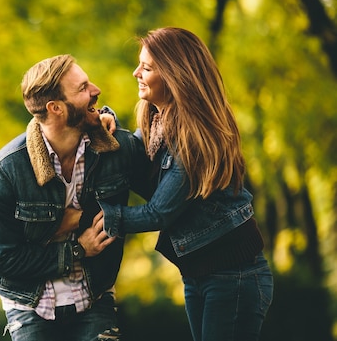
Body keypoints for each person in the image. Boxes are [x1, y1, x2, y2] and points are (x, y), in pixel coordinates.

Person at [99, 27, 274, 341]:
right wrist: (106, 124)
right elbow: (133, 161)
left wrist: (103, 219)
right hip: (199, 274)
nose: (136, 72)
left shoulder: (193, 137)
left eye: (147, 67)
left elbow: (158, 214)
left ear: (174, 75)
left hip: (233, 276)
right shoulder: (157, 122)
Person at [0, 54, 150, 341]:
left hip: (94, 294)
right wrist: (77, 250)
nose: (96, 90)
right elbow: (5, 262)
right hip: (29, 304)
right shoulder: (6, 170)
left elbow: (164, 189)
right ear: (56, 108)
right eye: (83, 88)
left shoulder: (115, 150)